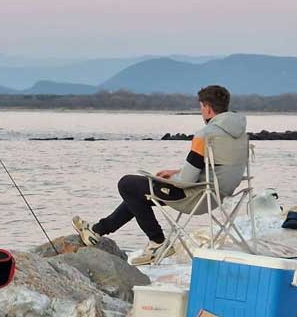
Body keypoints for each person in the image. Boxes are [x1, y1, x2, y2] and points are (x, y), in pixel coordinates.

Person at [72, 85, 248, 265]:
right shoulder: (241, 135)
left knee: (127, 184)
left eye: (201, 107)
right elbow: (217, 167)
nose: (201, 111)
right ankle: (97, 231)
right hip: (216, 194)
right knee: (137, 195)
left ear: (208, 108)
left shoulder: (205, 135)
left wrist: (170, 179)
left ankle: (157, 241)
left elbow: (187, 181)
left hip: (193, 196)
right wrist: (176, 172)